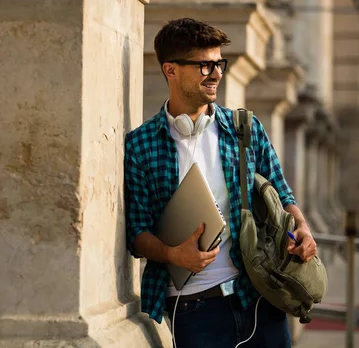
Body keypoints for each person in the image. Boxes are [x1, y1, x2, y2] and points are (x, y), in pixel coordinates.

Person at [124, 18, 318, 347]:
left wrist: (302, 227)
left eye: (218, 64)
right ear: (170, 70)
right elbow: (137, 234)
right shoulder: (140, 145)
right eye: (204, 65)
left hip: (259, 298)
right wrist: (173, 254)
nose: (216, 74)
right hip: (193, 311)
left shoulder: (245, 128)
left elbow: (282, 193)